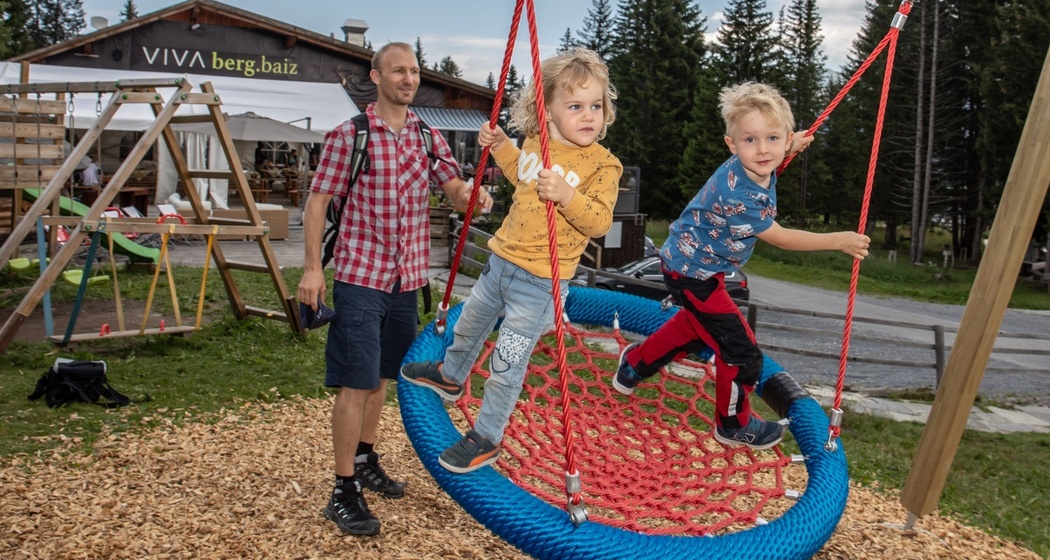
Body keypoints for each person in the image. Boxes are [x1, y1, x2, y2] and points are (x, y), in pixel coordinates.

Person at [297, 42, 492, 536]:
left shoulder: (428, 136)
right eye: (398, 70)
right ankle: (342, 490)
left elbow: (452, 186)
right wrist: (312, 271)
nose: (409, 78)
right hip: (361, 277)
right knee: (356, 381)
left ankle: (363, 458)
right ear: (376, 76)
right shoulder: (350, 135)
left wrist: (473, 194)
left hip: (408, 280)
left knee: (383, 376)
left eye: (414, 71)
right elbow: (317, 203)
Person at [613, 82, 871, 451]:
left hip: (690, 264)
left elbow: (769, 154)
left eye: (773, 138)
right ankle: (732, 424)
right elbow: (780, 237)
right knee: (741, 351)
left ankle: (635, 364)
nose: (763, 149)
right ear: (732, 145)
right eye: (750, 140)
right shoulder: (740, 192)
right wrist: (837, 240)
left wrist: (791, 145)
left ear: (784, 141)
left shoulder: (754, 165)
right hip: (693, 274)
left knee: (696, 325)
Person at [401, 48, 623, 474]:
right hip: (499, 267)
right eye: (575, 106)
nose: (588, 115)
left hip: (539, 287)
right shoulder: (536, 144)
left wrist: (567, 195)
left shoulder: (602, 165)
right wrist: (501, 145)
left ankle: (486, 437)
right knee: (468, 326)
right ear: (548, 112)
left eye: (595, 106)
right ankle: (451, 375)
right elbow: (520, 170)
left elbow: (599, 222)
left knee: (507, 362)